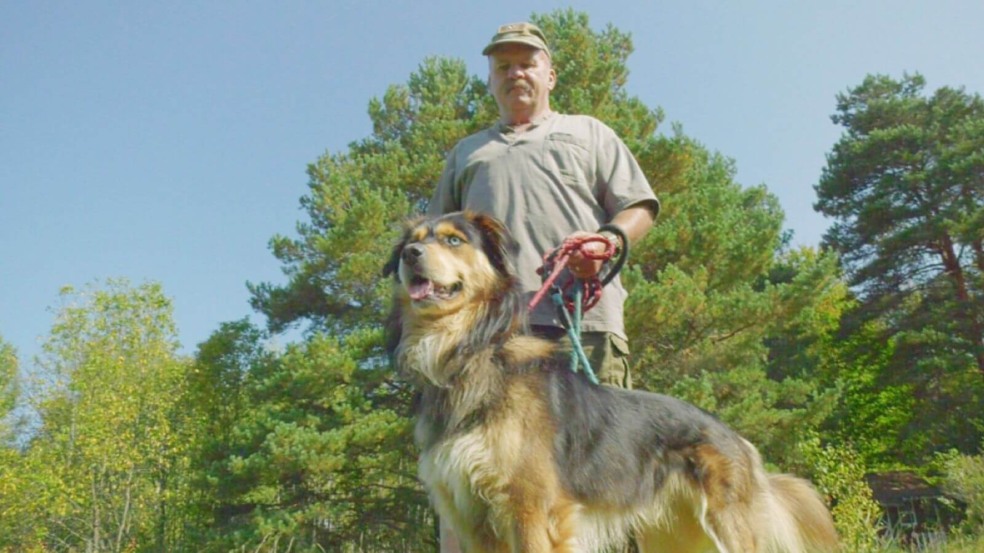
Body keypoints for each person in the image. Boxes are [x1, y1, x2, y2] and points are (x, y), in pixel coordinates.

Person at [426, 21, 659, 552]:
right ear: (490, 81)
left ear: (550, 74)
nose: (516, 74)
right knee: (481, 482)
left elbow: (638, 206)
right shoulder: (467, 153)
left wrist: (607, 242)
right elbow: (437, 242)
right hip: (490, 341)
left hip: (583, 323)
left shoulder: (589, 132)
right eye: (503, 66)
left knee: (602, 474)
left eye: (527, 62)